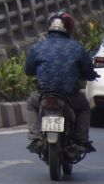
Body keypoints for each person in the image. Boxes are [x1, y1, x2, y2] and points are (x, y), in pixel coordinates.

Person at [24, 11, 99, 153]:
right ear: (69, 28)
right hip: (69, 95)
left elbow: (28, 70)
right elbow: (88, 70)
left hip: (44, 93)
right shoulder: (77, 47)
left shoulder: (37, 47)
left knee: (31, 104)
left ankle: (35, 138)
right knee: (84, 107)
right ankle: (81, 139)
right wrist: (91, 75)